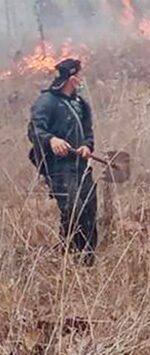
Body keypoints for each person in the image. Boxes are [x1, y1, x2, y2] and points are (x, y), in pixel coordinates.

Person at [27, 57, 98, 265]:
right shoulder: (46, 101)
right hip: (59, 167)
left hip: (81, 166)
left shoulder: (80, 104)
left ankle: (87, 262)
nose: (81, 79)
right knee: (72, 209)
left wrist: (87, 146)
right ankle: (69, 258)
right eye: (79, 75)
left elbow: (88, 132)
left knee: (89, 209)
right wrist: (51, 140)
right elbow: (35, 130)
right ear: (72, 78)